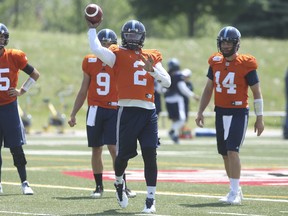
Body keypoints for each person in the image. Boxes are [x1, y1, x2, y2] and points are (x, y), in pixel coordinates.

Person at [87, 20, 171, 213]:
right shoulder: (117, 54)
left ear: (142, 37)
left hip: (148, 112)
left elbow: (167, 82)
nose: (132, 39)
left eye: (136, 35)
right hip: (127, 111)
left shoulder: (151, 55)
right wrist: (92, 28)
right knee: (123, 155)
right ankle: (118, 182)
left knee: (150, 154)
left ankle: (150, 199)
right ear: (123, 36)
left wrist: (152, 70)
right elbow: (96, 48)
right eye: (129, 35)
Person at [195, 26, 264, 205]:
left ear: (236, 44)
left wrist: (260, 117)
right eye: (223, 42)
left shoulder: (246, 64)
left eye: (229, 42)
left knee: (233, 150)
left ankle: (234, 191)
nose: (225, 46)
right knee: (225, 153)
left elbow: (257, 92)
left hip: (239, 111)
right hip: (221, 110)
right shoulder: (215, 62)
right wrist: (200, 111)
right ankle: (235, 189)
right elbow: (208, 88)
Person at [68, 29, 136, 199]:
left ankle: (122, 184)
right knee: (96, 148)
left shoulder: (118, 60)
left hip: (114, 109)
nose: (106, 46)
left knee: (114, 149)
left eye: (109, 43)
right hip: (94, 110)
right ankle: (98, 186)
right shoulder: (89, 61)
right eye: (102, 43)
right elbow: (84, 89)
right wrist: (73, 113)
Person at [0, 23, 40, 195]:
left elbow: (35, 74)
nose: (0, 40)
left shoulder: (14, 56)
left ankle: (24, 182)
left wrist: (21, 91)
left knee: (16, 147)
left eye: (2, 37)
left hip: (9, 107)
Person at [164, 58, 199, 143]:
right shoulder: (178, 76)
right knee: (182, 119)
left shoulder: (166, 74)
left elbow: (161, 88)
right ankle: (172, 131)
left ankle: (174, 135)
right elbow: (183, 88)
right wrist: (193, 95)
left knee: (174, 119)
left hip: (167, 99)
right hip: (177, 98)